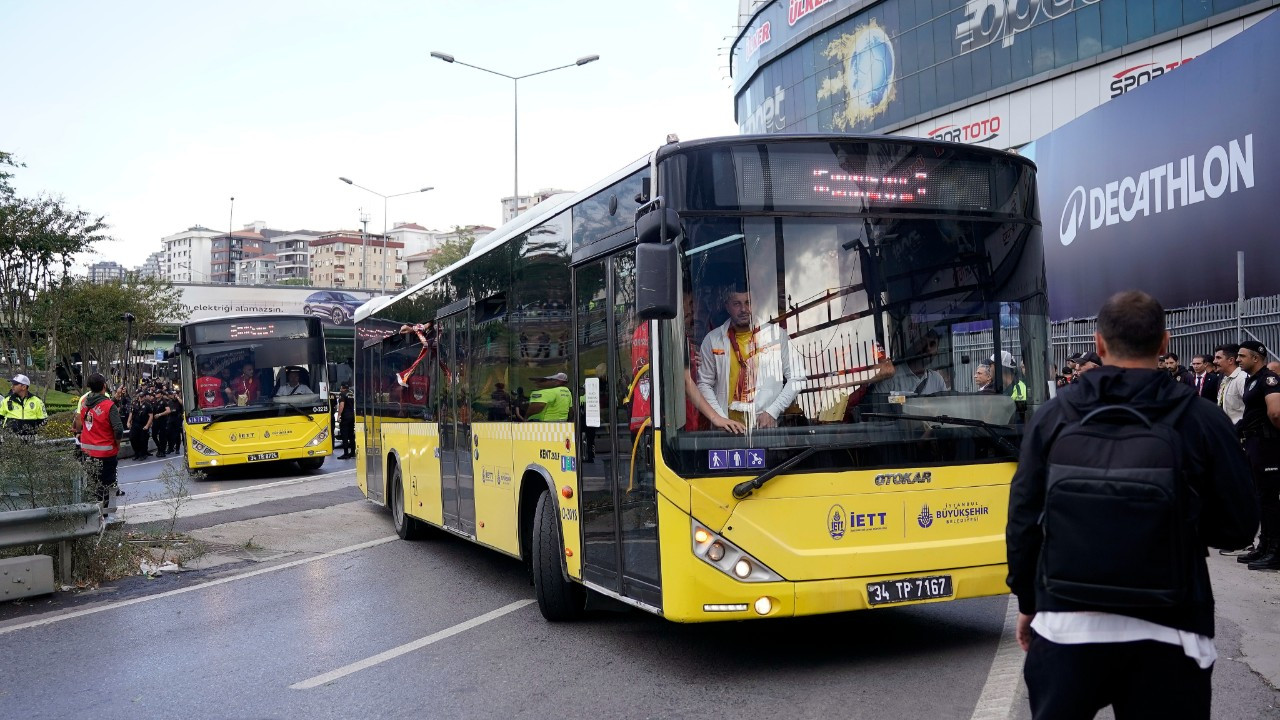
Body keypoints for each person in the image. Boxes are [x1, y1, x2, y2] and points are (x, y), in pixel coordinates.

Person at [1007, 290, 1257, 720]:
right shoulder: (1201, 418)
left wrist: (1028, 602)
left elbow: (1024, 519)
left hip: (1066, 622)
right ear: (1164, 342)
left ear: (1099, 344)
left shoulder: (1054, 416)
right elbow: (1237, 526)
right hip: (1172, 627)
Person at [696, 286, 804, 429]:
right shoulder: (712, 339)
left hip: (766, 426)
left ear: (756, 304)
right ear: (727, 306)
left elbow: (797, 378)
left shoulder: (777, 336)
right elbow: (704, 383)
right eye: (737, 304)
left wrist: (772, 412)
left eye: (748, 303)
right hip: (726, 429)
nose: (744, 309)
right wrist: (720, 418)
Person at [1234, 340, 1280, 571]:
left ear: (1255, 358)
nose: (1238, 359)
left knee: (1270, 498)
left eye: (1242, 356)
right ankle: (1265, 545)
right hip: (1254, 443)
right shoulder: (1252, 381)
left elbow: (1275, 413)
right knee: (1262, 496)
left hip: (1268, 445)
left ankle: (1276, 551)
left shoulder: (1268, 379)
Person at [72, 373, 123, 507]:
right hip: (106, 453)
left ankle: (95, 512)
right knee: (108, 484)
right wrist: (117, 445)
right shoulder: (108, 405)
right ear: (104, 386)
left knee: (93, 484)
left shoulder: (84, 404)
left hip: (88, 452)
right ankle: (107, 514)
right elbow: (118, 429)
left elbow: (81, 422)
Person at [1213, 343, 1246, 425]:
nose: (1214, 361)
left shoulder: (1242, 378)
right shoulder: (1225, 379)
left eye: (1218, 358)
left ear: (1231, 360)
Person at [127, 390, 154, 460]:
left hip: (143, 424)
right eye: (140, 397)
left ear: (144, 397)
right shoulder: (135, 404)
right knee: (132, 438)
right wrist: (128, 422)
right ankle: (137, 453)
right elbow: (131, 413)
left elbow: (151, 416)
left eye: (142, 397)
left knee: (143, 440)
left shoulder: (148, 405)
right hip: (135, 424)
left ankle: (143, 454)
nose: (140, 398)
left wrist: (147, 425)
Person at [337, 382, 356, 458]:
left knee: (344, 435)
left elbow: (341, 405)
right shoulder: (351, 394)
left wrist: (339, 415)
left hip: (345, 416)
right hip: (352, 416)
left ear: (342, 387)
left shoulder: (342, 394)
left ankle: (345, 453)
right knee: (351, 435)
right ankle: (352, 452)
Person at [151, 391, 173, 458]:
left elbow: (168, 410)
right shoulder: (154, 401)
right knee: (154, 435)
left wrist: (160, 414)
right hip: (155, 421)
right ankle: (159, 447)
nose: (156, 394)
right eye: (156, 393)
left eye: (158, 393)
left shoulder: (164, 401)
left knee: (162, 436)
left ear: (161, 394)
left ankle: (162, 451)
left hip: (162, 421)